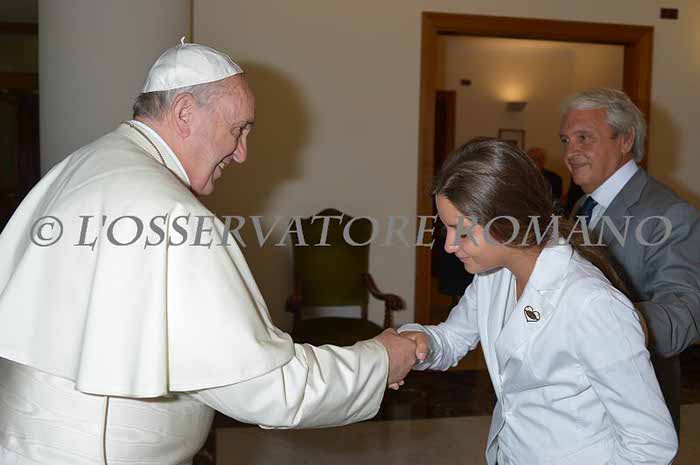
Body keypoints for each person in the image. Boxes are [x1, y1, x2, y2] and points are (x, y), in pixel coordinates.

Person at [0, 41, 416, 464]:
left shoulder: (83, 164)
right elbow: (272, 389)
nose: (242, 153)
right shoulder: (173, 213)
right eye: (238, 130)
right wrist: (381, 359)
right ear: (184, 113)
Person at [399, 138, 677, 465]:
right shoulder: (493, 277)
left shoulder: (591, 304)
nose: (448, 245)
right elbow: (453, 338)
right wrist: (419, 343)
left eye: (460, 231)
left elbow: (651, 443)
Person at [560, 88, 700, 432]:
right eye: (566, 140)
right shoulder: (583, 207)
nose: (570, 152)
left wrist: (608, 324)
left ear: (625, 140)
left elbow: (687, 311)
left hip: (632, 409)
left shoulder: (670, 213)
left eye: (583, 138)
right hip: (575, 405)